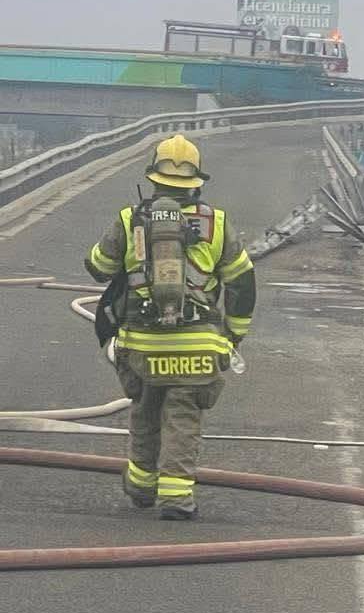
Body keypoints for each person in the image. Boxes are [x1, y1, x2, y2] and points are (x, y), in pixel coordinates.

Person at [85, 135, 256, 520]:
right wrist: (234, 335)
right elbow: (243, 283)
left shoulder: (130, 221)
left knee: (145, 409)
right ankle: (177, 497)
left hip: (142, 345)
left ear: (153, 180)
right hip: (198, 345)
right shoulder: (217, 224)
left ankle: (142, 487)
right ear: (197, 183)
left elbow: (98, 268)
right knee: (183, 415)